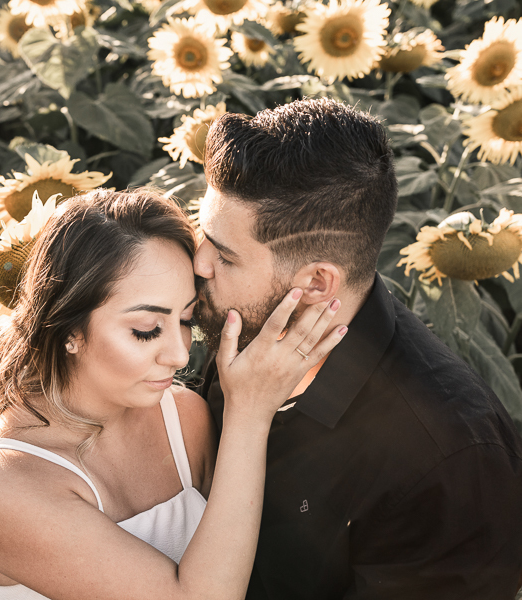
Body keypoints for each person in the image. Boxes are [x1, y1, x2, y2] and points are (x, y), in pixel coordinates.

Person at [194, 96, 522, 599]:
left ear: (318, 283)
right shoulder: (235, 334)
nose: (198, 264)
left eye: (225, 256)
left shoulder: (449, 456)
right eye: (203, 235)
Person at [0, 188, 346, 600]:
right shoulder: (2, 484)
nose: (180, 356)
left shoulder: (184, 417)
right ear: (67, 329)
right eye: (146, 330)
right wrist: (248, 414)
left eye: (186, 319)